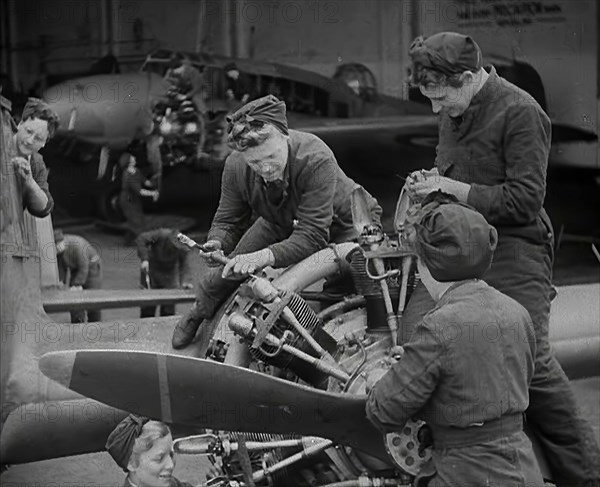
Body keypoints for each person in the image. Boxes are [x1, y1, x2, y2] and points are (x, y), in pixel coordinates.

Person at [403, 31, 600, 486]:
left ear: (469, 78)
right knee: (415, 336)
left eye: (441, 99)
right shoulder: (454, 106)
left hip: (516, 244)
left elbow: (525, 201)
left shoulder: (522, 112)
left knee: (527, 355)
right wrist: (433, 181)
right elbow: (453, 166)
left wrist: (455, 190)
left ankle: (584, 474)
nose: (437, 110)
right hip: (464, 240)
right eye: (430, 100)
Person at [171, 94, 382, 349]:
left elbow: (311, 237)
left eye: (271, 157)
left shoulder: (315, 158)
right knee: (228, 269)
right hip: (281, 218)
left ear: (285, 136)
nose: (266, 168)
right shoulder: (237, 166)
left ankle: (333, 343)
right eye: (256, 162)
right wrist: (216, 242)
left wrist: (261, 257)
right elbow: (228, 220)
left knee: (344, 286)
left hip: (349, 224)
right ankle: (198, 311)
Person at [366, 194, 545, 487]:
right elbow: (485, 384)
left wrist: (386, 375)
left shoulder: (437, 327)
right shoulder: (517, 313)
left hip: (465, 474)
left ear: (427, 265)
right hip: (523, 469)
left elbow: (383, 410)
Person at [106, 414, 192, 487]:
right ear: (131, 463)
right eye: (159, 459)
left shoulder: (170, 483)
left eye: (171, 454)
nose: (170, 465)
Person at [12, 97, 59, 218]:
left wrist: (29, 181)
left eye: (38, 138)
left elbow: (44, 208)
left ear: (44, 143)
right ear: (20, 124)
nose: (29, 140)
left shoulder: (36, 163)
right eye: (28, 131)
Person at [136, 228, 193, 318]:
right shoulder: (161, 234)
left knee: (168, 307)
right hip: (151, 270)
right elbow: (141, 239)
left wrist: (186, 281)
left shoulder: (182, 247)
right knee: (148, 306)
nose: (174, 249)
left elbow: (184, 265)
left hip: (169, 274)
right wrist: (144, 259)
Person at [54, 229, 102, 323]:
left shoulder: (78, 246)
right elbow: (60, 265)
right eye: (54, 246)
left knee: (93, 297)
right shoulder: (58, 250)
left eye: (57, 245)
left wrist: (77, 284)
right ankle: (77, 322)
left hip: (92, 268)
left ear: (63, 242)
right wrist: (61, 281)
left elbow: (84, 267)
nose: (56, 248)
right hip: (76, 269)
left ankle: (95, 324)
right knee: (75, 298)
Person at [119, 152, 159, 245]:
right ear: (129, 161)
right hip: (127, 200)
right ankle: (144, 241)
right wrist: (153, 193)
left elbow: (145, 182)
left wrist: (154, 181)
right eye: (132, 157)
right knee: (136, 221)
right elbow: (140, 191)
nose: (134, 157)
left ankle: (129, 240)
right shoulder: (128, 175)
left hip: (134, 199)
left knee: (138, 219)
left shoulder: (136, 170)